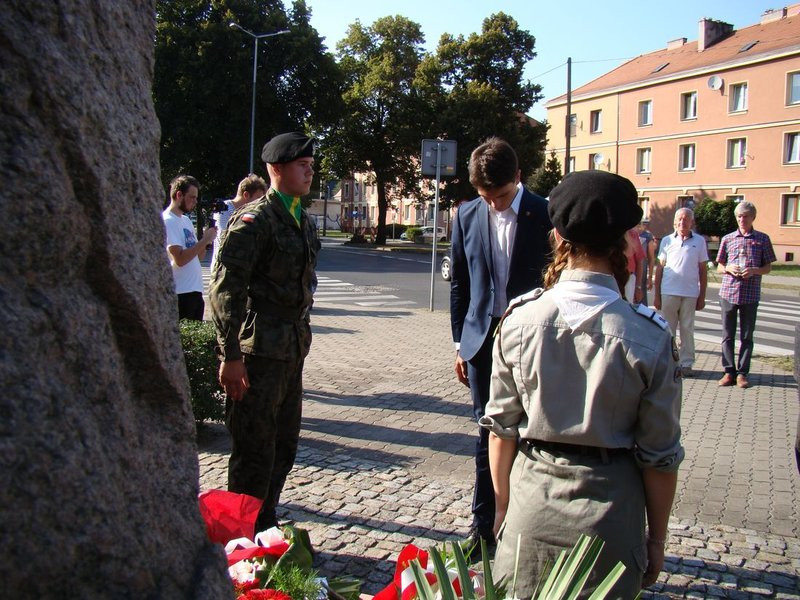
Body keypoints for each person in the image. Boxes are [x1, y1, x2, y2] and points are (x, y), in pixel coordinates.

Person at [481, 170, 683, 598]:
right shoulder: (649, 335)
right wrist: (657, 539)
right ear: (625, 242)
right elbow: (660, 456)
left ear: (558, 236)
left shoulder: (519, 320)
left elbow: (500, 430)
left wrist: (501, 508)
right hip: (611, 520)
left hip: (532, 506)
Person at [209, 132, 320, 532]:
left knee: (284, 446)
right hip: (256, 354)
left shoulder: (303, 219)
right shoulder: (254, 221)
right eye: (301, 166)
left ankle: (265, 521)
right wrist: (230, 355)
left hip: (290, 350)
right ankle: (240, 535)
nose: (309, 172)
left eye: (311, 166)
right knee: (253, 450)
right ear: (276, 169)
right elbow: (225, 290)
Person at [449, 137, 552, 553]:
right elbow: (460, 282)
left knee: (532, 432)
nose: (494, 204)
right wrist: (460, 342)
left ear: (519, 178)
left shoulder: (545, 213)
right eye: (485, 196)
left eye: (502, 196)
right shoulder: (466, 214)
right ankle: (483, 529)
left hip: (532, 337)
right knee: (486, 432)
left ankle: (528, 528)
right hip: (481, 339)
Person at [715, 201, 776, 389]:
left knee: (747, 336)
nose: (742, 219)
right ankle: (728, 372)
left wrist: (754, 270)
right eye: (739, 216)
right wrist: (728, 268)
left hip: (750, 294)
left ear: (753, 217)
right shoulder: (728, 238)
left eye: (746, 216)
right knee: (727, 335)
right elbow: (719, 266)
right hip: (728, 292)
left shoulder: (762, 239)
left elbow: (768, 267)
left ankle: (742, 373)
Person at [654, 208, 708, 378]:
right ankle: (668, 362)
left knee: (687, 329)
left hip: (690, 293)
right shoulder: (667, 241)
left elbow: (703, 270)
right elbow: (659, 269)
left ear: (692, 222)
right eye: (679, 219)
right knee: (668, 329)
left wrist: (702, 295)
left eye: (686, 219)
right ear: (675, 222)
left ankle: (686, 363)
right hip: (669, 291)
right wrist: (656, 295)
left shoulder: (699, 241)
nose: (682, 222)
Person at [162, 174, 217, 320]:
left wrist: (206, 240)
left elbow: (199, 257)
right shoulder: (168, 220)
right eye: (192, 197)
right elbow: (180, 259)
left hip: (195, 291)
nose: (195, 201)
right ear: (179, 195)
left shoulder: (186, 221)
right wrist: (204, 240)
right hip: (180, 292)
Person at [209, 174, 268, 269]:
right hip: (222, 269)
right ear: (246, 195)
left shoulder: (250, 213)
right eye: (258, 199)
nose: (260, 203)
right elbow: (228, 239)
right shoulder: (224, 209)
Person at [638, 220, 656, 305]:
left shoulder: (647, 236)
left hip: (642, 274)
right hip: (629, 274)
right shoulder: (627, 234)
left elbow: (651, 258)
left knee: (641, 300)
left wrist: (650, 277)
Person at [625, 227, 645, 303]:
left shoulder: (632, 233)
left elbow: (639, 261)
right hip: (610, 277)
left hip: (628, 278)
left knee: (627, 306)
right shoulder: (608, 231)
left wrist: (638, 287)